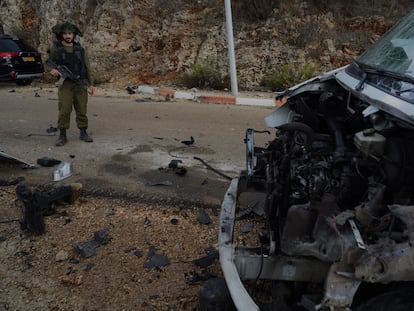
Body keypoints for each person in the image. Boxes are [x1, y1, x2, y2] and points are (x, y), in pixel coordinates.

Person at [47, 22, 94, 146]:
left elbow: (87, 66)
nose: (68, 36)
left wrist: (91, 84)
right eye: (65, 33)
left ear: (74, 35)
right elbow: (48, 62)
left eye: (70, 33)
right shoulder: (56, 48)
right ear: (61, 35)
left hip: (80, 84)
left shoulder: (80, 49)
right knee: (64, 110)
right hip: (65, 85)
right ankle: (62, 135)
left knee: (82, 110)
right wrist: (52, 70)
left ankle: (83, 132)